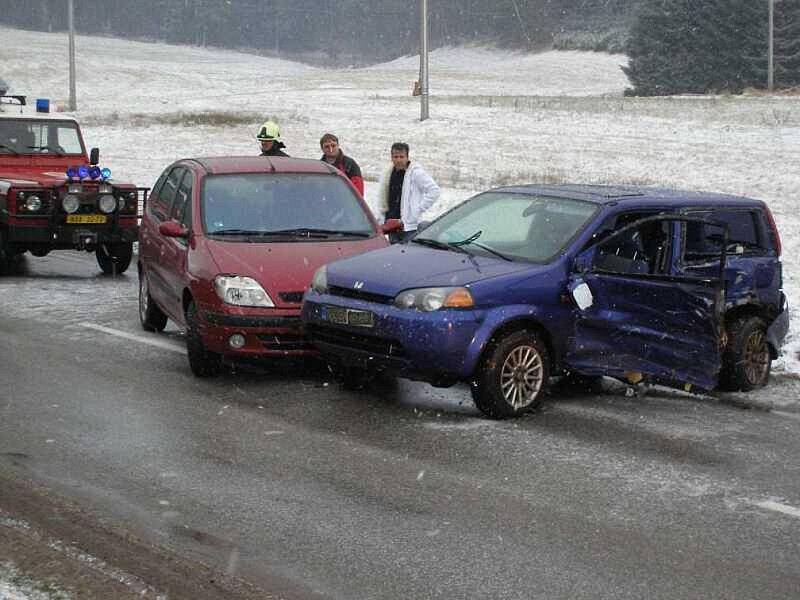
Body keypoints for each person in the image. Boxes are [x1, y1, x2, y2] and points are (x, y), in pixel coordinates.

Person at [376, 142, 440, 243]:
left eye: (402, 157)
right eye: (395, 157)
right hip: (391, 225)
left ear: (407, 157)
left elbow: (434, 191)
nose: (399, 160)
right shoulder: (387, 174)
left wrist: (417, 210)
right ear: (391, 157)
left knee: (407, 255)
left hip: (408, 227)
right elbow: (383, 198)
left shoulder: (415, 173)